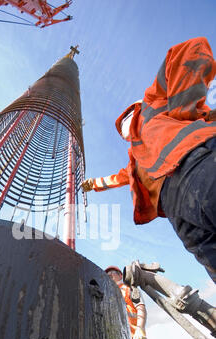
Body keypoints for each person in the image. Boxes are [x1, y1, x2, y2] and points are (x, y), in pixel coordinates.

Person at [82, 37, 216, 282]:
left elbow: (191, 49)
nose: (124, 129)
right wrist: (94, 184)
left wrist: (183, 109)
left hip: (198, 162)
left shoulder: (154, 103)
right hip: (179, 213)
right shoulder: (136, 156)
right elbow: (120, 177)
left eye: (126, 120)